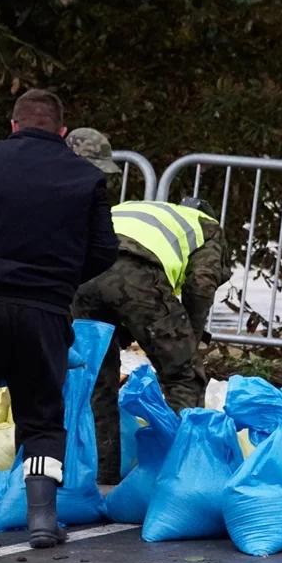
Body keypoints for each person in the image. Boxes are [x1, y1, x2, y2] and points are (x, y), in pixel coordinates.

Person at [0, 89, 118, 548]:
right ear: (62, 131)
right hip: (45, 311)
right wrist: (59, 279)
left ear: (13, 124)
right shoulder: (85, 177)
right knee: (41, 414)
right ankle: (42, 520)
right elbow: (104, 250)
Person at [70, 130, 232, 485]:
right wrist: (190, 332)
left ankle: (104, 472)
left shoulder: (132, 208)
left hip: (83, 274)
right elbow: (201, 284)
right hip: (135, 273)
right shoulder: (207, 227)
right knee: (182, 375)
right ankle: (182, 475)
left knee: (98, 378)